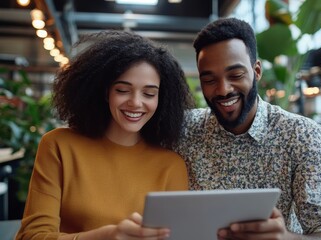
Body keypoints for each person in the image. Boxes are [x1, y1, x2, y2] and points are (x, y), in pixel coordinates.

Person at [174, 18, 321, 239]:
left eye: (235, 75)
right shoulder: (184, 130)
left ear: (256, 71)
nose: (223, 89)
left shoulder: (301, 134)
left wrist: (286, 238)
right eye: (209, 80)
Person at [16, 31, 194, 240]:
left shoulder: (170, 166)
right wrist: (106, 236)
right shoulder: (59, 145)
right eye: (122, 90)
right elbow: (31, 237)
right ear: (105, 92)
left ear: (161, 100)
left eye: (149, 93)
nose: (136, 103)